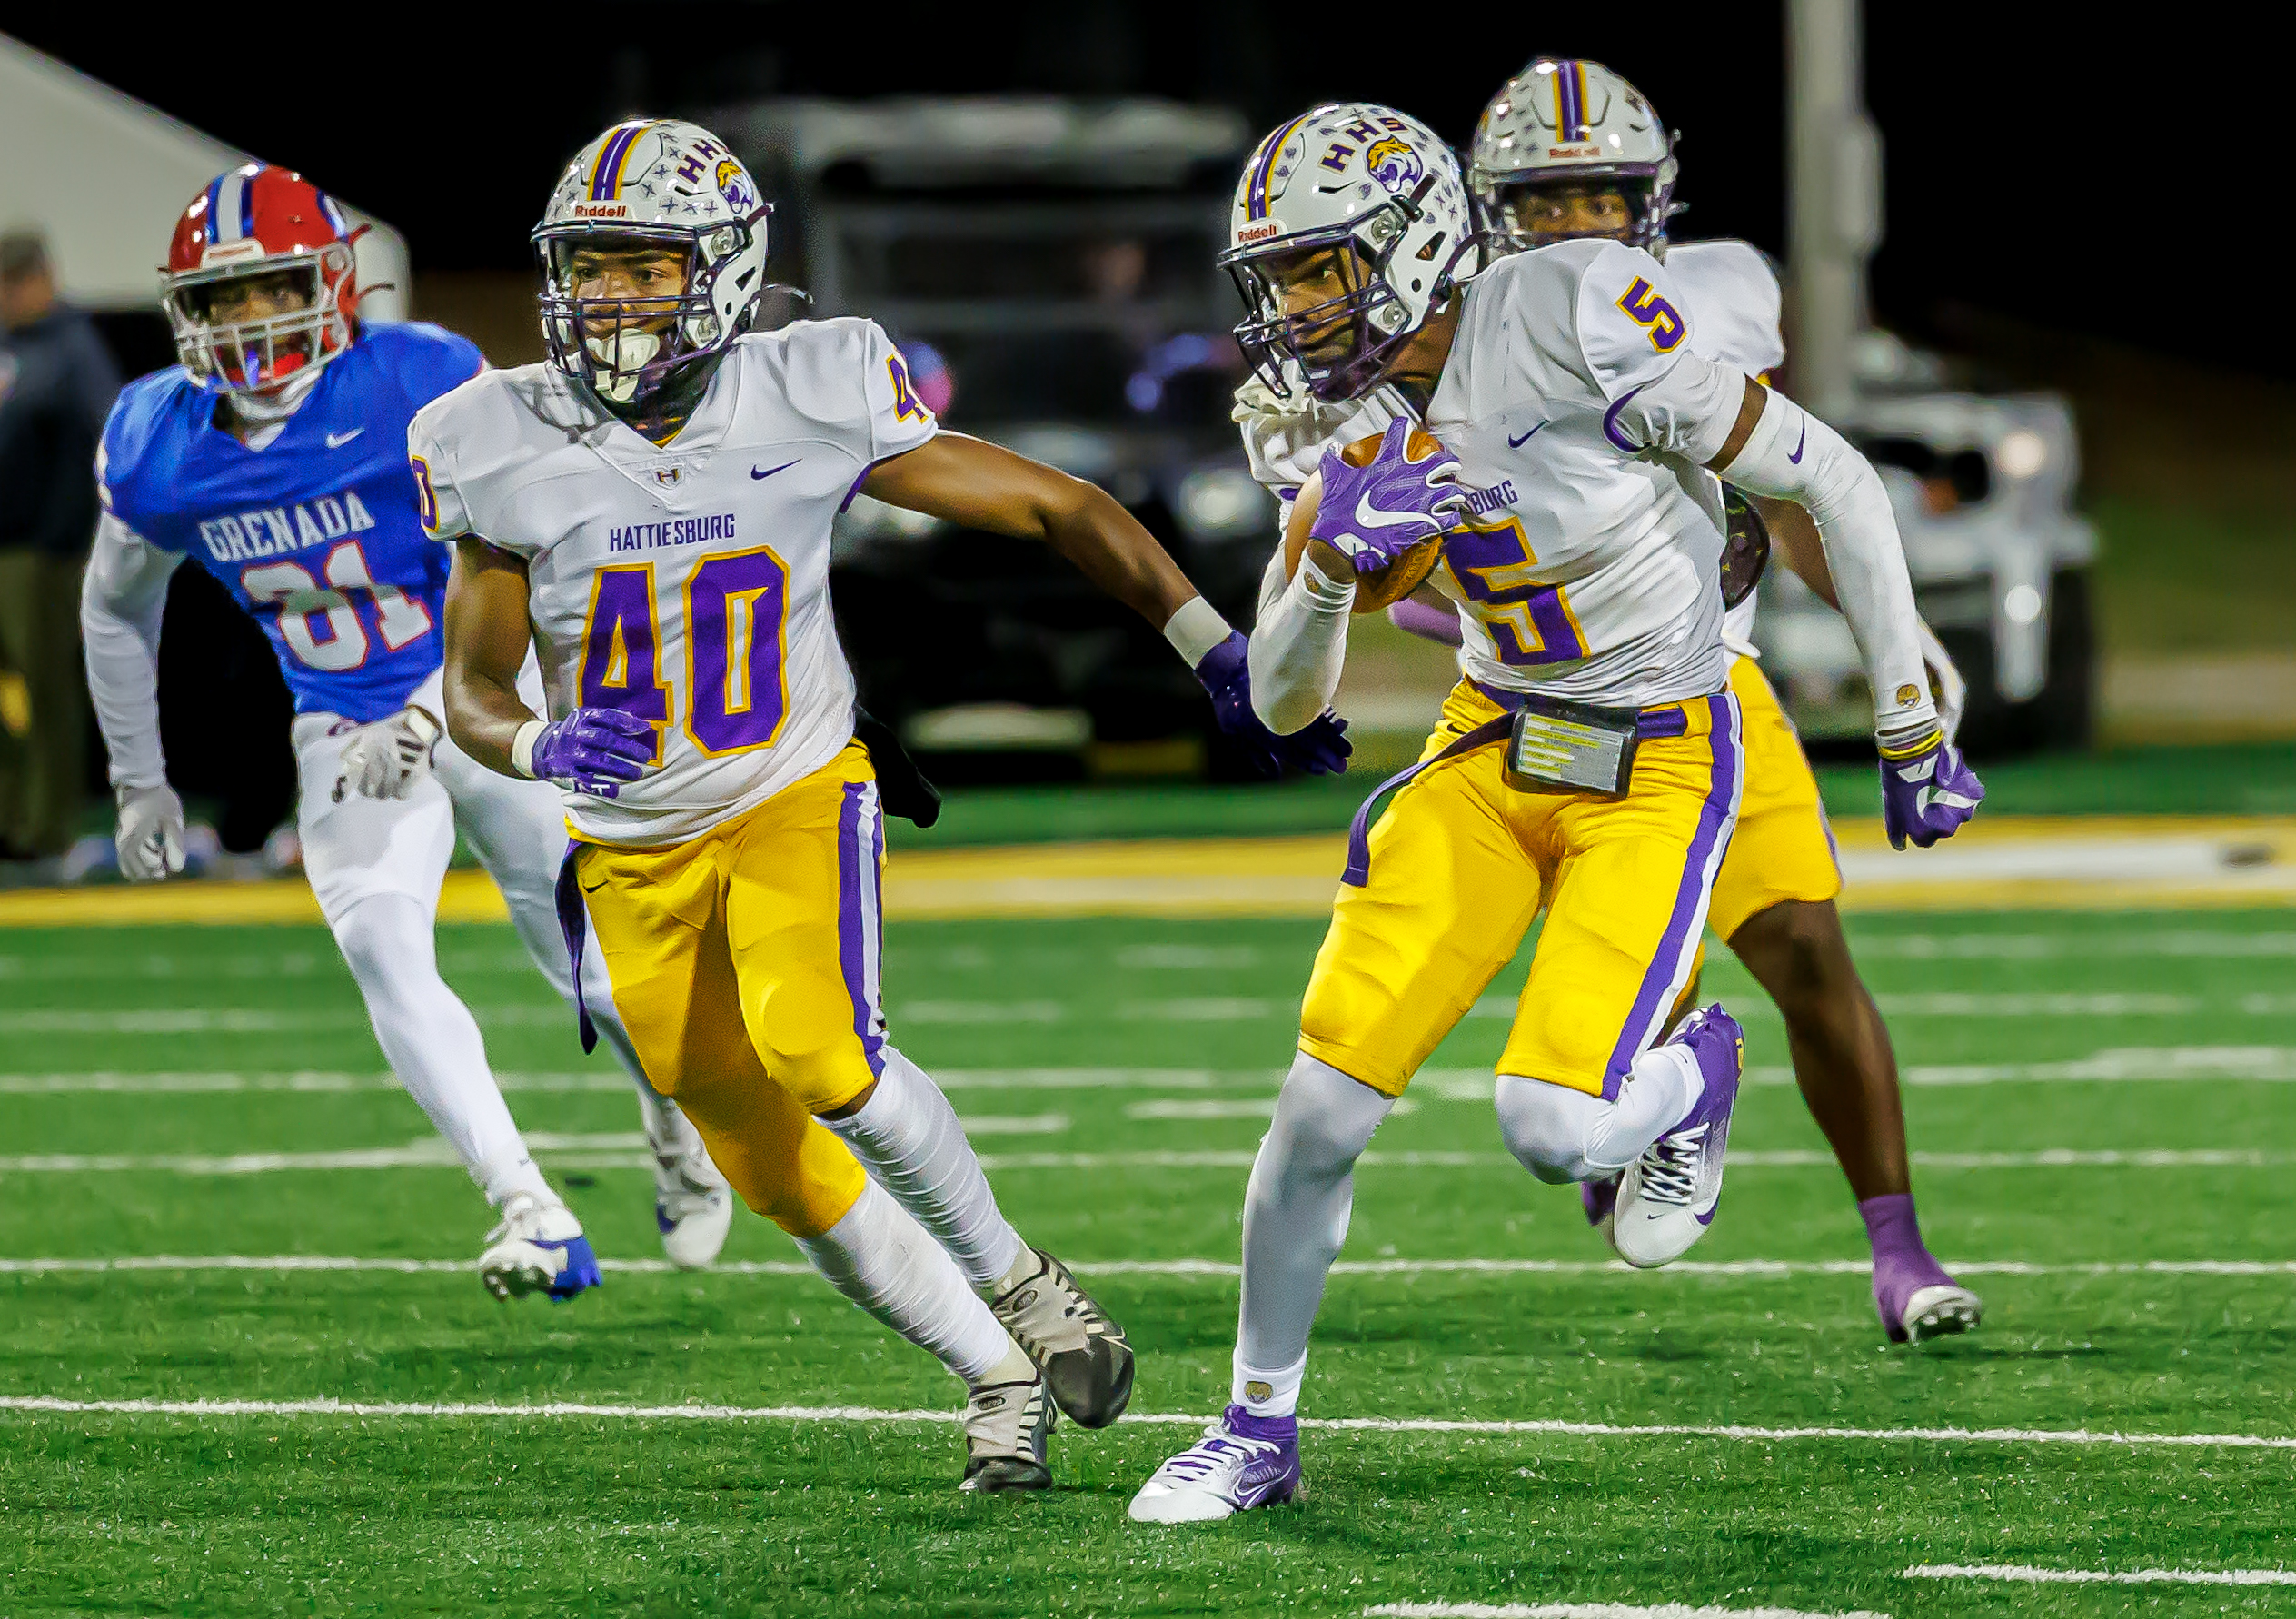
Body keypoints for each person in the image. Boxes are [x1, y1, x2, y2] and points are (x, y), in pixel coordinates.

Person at [423, 119, 1349, 1490]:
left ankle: (1024, 1286)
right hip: (628, 849)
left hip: (793, 787)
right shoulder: (494, 436)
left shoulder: (811, 384)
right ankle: (989, 1372)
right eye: (591, 266)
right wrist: (542, 748)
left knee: (822, 1054)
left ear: (727, 274)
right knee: (766, 1162)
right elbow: (472, 687)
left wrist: (1211, 646)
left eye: (647, 264)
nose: (613, 296)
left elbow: (1055, 505)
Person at [1130, 103, 1983, 1523]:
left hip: (1658, 751)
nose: (1288, 312)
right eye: (1272, 282)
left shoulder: (1578, 308)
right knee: (1318, 1109)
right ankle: (1252, 1430)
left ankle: (1693, 1070)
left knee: (1546, 1128)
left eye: (1315, 274)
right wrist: (1335, 570)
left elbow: (1823, 473)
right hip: (1489, 745)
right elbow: (1282, 708)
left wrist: (1903, 716)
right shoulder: (1338, 419)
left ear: (1404, 251)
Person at [83, 164, 734, 1300]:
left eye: (272, 287)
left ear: (334, 283)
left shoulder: (419, 382)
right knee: (379, 938)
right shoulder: (159, 439)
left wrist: (435, 708)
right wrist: (140, 780)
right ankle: (530, 1206)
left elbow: (523, 553)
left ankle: (673, 1118)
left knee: (590, 973)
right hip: (340, 716)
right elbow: (114, 602)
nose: (249, 320)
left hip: (497, 691)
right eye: (223, 299)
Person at [0, 227, 119, 861]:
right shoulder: (10, 346)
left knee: (44, 688)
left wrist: (70, 537)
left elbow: (103, 442)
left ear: (38, 281)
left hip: (41, 554)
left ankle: (48, 827)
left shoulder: (73, 348)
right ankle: (11, 816)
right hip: (6, 546)